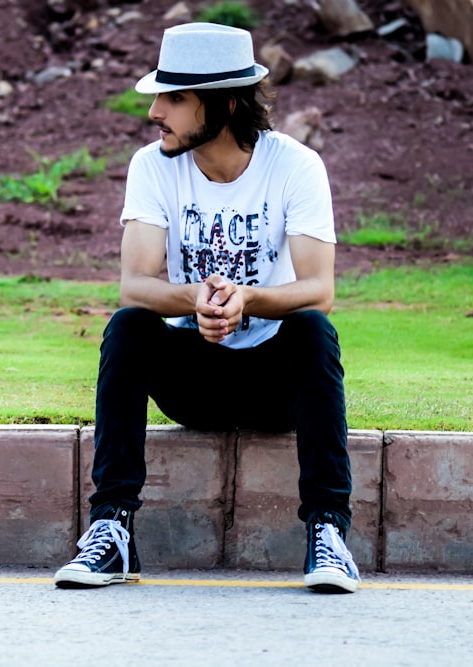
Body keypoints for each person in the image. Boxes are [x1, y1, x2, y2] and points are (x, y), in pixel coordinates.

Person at [54, 22, 359, 593]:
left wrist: (249, 301)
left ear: (223, 103)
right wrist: (194, 299)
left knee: (314, 331)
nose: (155, 113)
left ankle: (329, 534)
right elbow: (135, 284)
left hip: (273, 384)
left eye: (174, 98)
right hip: (191, 378)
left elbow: (319, 288)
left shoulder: (295, 166)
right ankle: (113, 528)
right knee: (128, 328)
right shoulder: (152, 166)